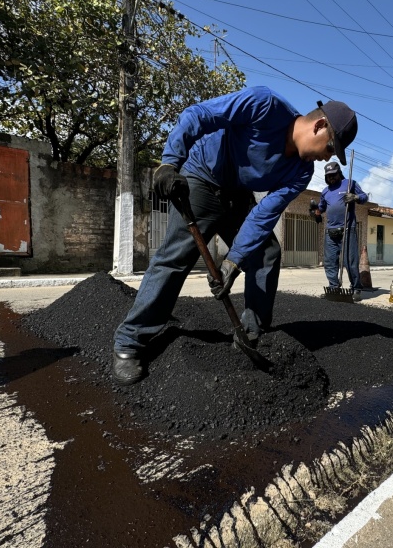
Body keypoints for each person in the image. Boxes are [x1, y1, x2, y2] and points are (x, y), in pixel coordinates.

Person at [112, 86, 358, 385]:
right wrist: (170, 162)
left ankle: (252, 334)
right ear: (319, 126)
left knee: (266, 252)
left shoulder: (300, 172)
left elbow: (263, 215)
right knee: (175, 258)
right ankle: (129, 343)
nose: (325, 159)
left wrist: (234, 261)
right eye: (330, 149)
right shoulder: (265, 104)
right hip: (203, 177)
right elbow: (199, 115)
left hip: (237, 195)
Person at [313, 161, 368, 302]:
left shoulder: (350, 183)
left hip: (347, 228)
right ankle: (333, 287)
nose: (331, 178)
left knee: (350, 261)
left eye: (333, 175)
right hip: (330, 231)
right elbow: (321, 208)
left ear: (338, 173)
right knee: (330, 262)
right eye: (328, 176)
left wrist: (355, 197)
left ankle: (356, 288)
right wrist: (316, 212)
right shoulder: (325, 191)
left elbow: (364, 197)